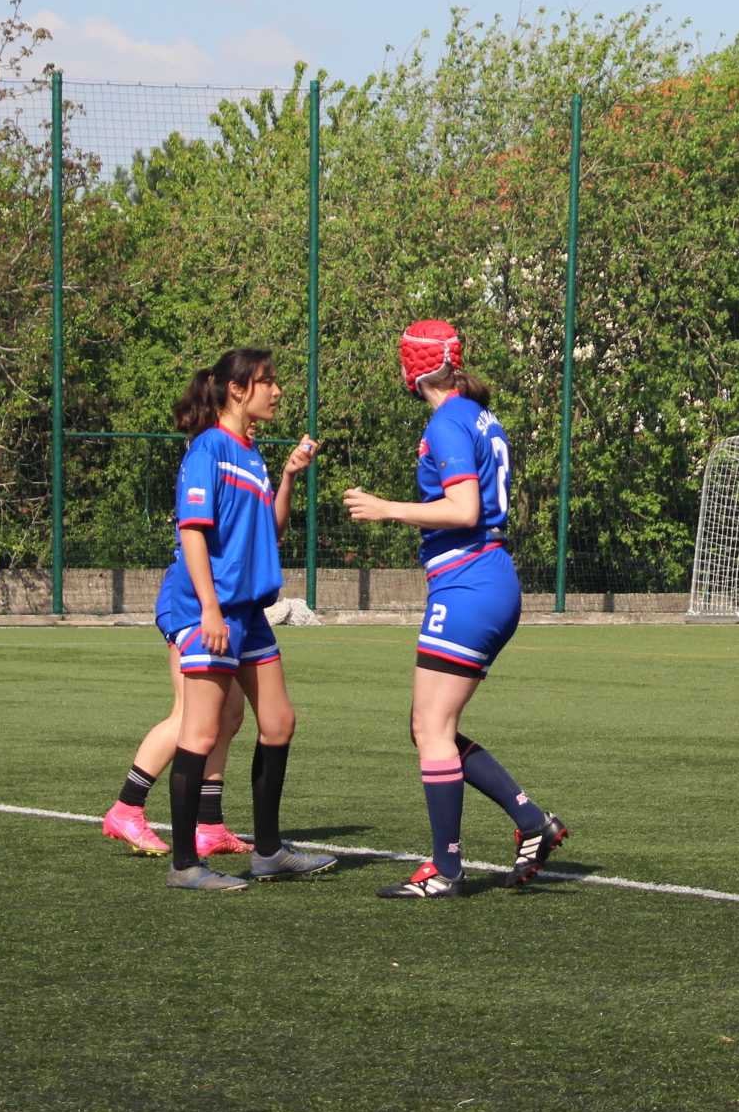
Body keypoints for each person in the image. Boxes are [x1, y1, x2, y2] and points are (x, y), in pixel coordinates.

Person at [344, 321, 567, 900]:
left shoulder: (446, 421)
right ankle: (531, 820)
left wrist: (387, 508)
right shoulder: (478, 414)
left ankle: (446, 869)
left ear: (411, 369)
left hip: (469, 582)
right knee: (428, 728)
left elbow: (465, 509)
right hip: (485, 578)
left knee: (430, 729)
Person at [153, 347, 335, 891]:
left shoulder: (251, 453)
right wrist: (209, 608)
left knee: (279, 722)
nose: (277, 391)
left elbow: (268, 531)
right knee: (201, 730)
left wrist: (289, 477)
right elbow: (192, 530)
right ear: (237, 389)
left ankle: (269, 852)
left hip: (249, 611)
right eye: (266, 381)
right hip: (210, 608)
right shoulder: (209, 448)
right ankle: (184, 864)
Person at [100, 648, 254, 859]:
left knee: (228, 715)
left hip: (229, 629)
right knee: (190, 714)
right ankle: (127, 807)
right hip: (198, 628)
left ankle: (211, 827)